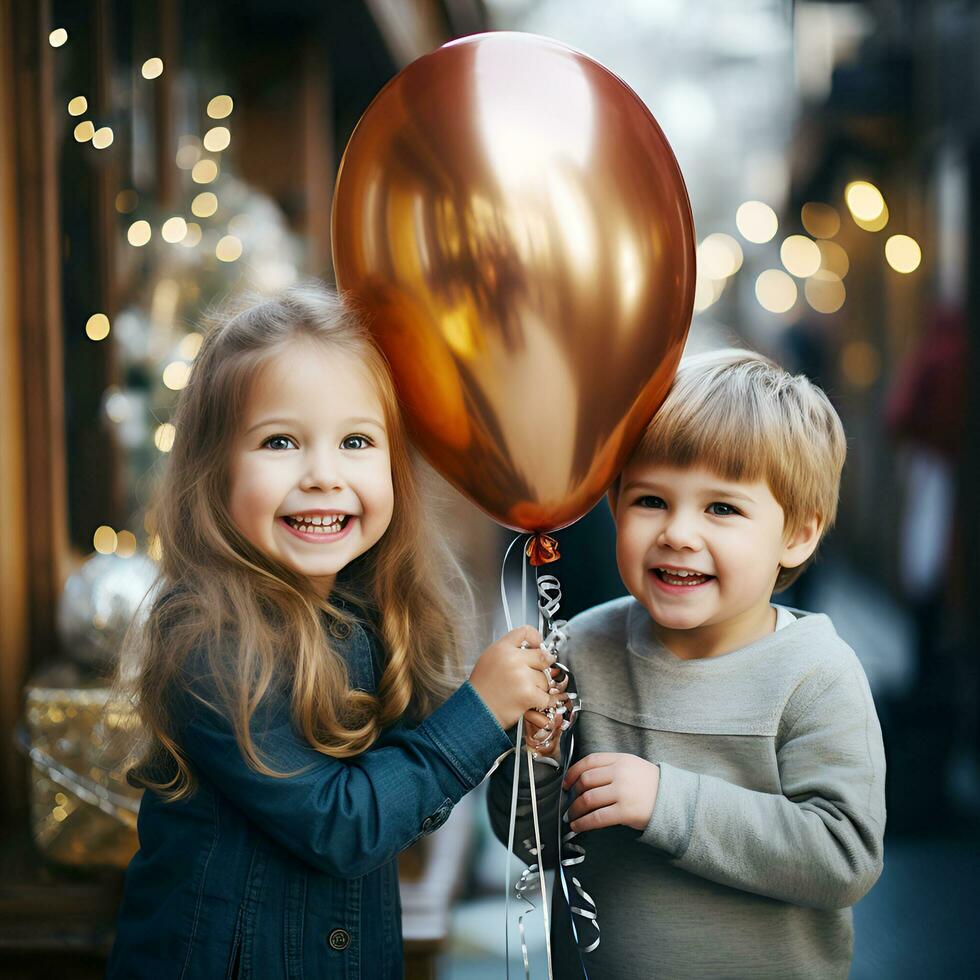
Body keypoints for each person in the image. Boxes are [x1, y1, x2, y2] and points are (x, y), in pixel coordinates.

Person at [107, 283, 561, 979]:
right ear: (214, 467)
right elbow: (345, 824)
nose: (323, 475)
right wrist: (475, 714)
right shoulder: (205, 642)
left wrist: (503, 721)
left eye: (355, 440)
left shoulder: (370, 613)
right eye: (280, 441)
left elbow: (409, 799)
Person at [489, 348, 886, 980]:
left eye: (721, 508)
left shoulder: (816, 673)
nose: (678, 532)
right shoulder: (581, 647)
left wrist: (666, 802)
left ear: (798, 533)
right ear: (613, 506)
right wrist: (531, 753)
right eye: (650, 500)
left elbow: (843, 857)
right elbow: (532, 841)